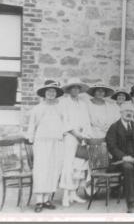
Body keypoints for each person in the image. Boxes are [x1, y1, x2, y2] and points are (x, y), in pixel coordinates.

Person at [27, 80, 66, 213]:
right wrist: (31, 140)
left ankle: (47, 199)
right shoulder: (37, 109)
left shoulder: (60, 108)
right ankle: (39, 200)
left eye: (53, 91)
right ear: (44, 93)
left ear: (56, 94)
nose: (51, 93)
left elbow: (65, 125)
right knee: (41, 169)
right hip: (42, 142)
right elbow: (32, 126)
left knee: (53, 169)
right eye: (48, 91)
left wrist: (63, 137)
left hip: (57, 142)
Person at [60, 78, 92, 207]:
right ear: (68, 90)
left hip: (82, 136)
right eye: (72, 88)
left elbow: (86, 121)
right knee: (68, 165)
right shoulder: (63, 103)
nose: (75, 90)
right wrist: (75, 133)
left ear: (79, 90)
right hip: (70, 136)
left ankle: (74, 193)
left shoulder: (83, 103)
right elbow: (64, 120)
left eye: (77, 88)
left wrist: (84, 134)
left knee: (79, 164)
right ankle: (65, 196)